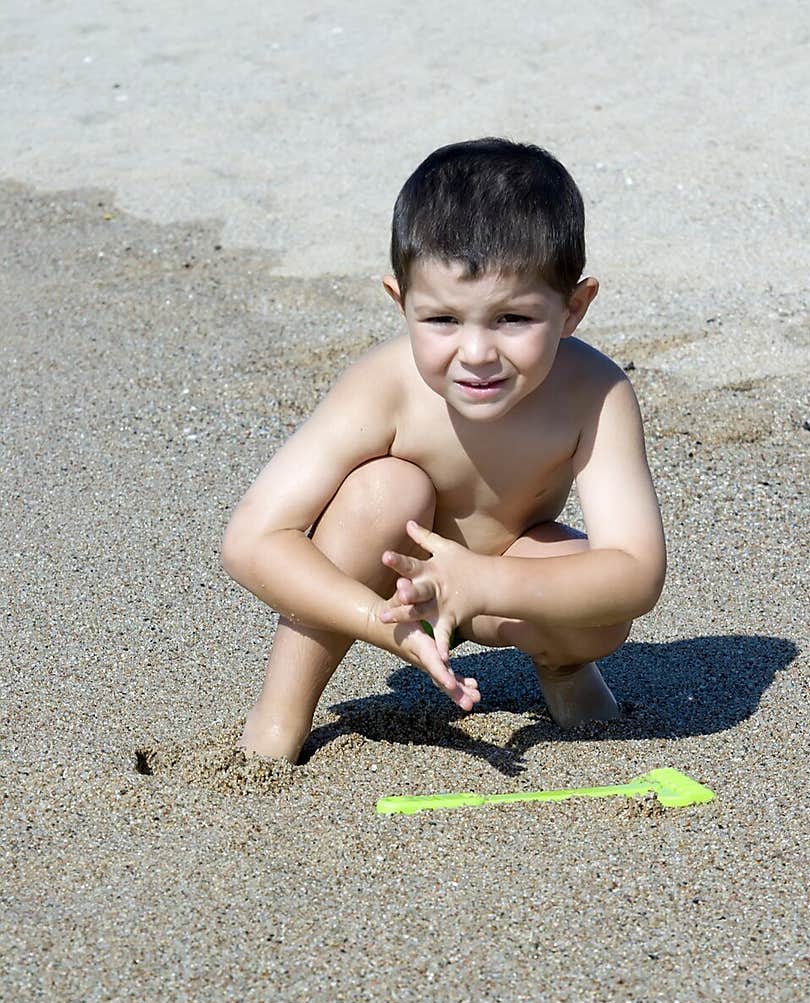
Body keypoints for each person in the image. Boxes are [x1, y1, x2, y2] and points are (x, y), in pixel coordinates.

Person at [222, 138, 667, 762]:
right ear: (400, 301)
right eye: (442, 320)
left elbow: (637, 573)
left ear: (572, 307)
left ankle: (565, 673)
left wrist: (482, 582)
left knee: (597, 602)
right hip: (387, 578)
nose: (478, 352)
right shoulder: (384, 387)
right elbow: (253, 540)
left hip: (502, 574)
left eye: (513, 319)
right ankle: (280, 712)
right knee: (385, 490)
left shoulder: (595, 392)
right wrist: (382, 621)